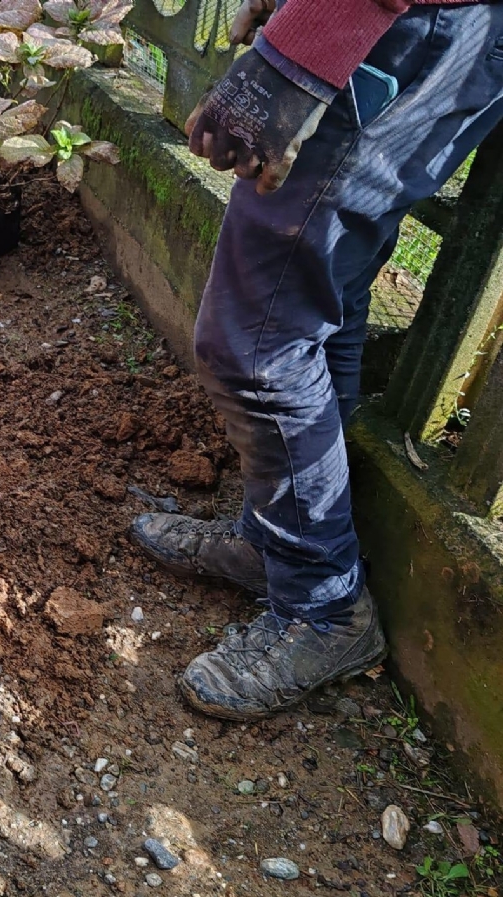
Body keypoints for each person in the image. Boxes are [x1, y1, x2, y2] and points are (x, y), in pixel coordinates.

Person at [131, 0, 503, 720]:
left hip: (414, 27)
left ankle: (326, 607)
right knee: (316, 300)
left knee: (253, 341)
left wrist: (298, 51)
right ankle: (277, 545)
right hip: (420, 25)